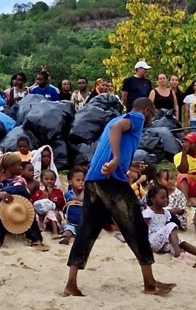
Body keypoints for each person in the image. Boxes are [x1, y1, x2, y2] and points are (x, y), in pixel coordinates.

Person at [64, 98, 176, 297]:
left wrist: (126, 164)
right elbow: (117, 129)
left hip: (93, 179)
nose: (151, 120)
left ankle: (71, 284)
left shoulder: (116, 119)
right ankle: (150, 283)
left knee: (86, 231)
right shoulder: (137, 117)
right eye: (152, 115)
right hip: (111, 180)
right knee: (137, 227)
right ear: (147, 110)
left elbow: (111, 137)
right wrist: (116, 160)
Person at [143, 185, 196, 267]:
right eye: (162, 197)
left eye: (166, 197)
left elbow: (167, 232)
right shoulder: (148, 213)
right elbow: (142, 231)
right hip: (152, 243)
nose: (166, 200)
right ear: (153, 199)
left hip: (163, 242)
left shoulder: (166, 213)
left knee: (181, 243)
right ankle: (179, 255)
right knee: (171, 225)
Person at [0, 153, 46, 250]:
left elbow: (27, 199)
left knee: (25, 202)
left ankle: (35, 238)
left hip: (17, 216)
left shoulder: (21, 181)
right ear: (11, 166)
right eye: (18, 165)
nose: (21, 168)